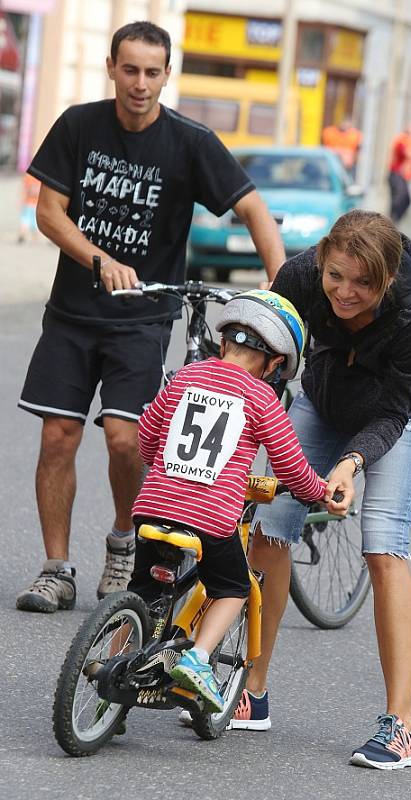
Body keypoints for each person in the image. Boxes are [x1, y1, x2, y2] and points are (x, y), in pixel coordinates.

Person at [16, 21, 286, 614]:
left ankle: (122, 539)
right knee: (58, 435)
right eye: (130, 69)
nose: (140, 83)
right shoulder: (79, 125)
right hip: (72, 314)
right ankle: (55, 568)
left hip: (142, 319)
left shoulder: (190, 142)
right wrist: (100, 258)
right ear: (112, 68)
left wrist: (278, 287)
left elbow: (253, 208)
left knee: (124, 440)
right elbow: (48, 212)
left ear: (168, 74)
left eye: (152, 72)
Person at [227, 210, 411, 770]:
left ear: (387, 280)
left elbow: (397, 407)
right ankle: (252, 693)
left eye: (363, 284)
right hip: (325, 397)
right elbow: (268, 355)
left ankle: (402, 727)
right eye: (336, 277)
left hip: (404, 413)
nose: (345, 293)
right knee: (271, 529)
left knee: (383, 544)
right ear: (322, 261)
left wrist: (350, 462)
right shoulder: (301, 276)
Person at [128, 290, 331, 712]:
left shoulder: (185, 378)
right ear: (275, 365)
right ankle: (199, 659)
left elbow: (147, 434)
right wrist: (317, 494)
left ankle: (114, 662)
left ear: (222, 343)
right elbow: (291, 466)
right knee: (234, 587)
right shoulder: (263, 399)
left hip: (152, 506)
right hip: (210, 519)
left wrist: (157, 463)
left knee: (143, 594)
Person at [388, 125, 411, 223]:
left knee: (406, 200)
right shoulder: (401, 140)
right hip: (396, 174)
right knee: (398, 198)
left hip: (404, 176)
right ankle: (392, 220)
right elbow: (408, 153)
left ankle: (395, 220)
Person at [17, 173, 41, 244]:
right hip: (36, 204)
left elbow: (23, 189)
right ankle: (35, 238)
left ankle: (22, 235)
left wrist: (20, 200)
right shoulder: (40, 177)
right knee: (35, 222)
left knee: (25, 220)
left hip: (27, 203)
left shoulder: (28, 176)